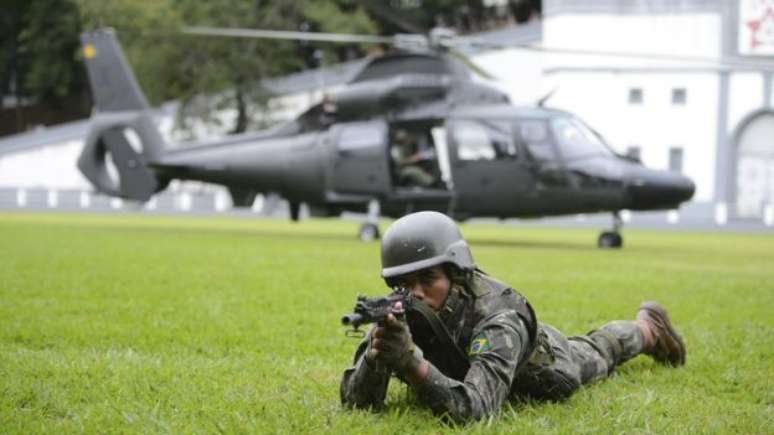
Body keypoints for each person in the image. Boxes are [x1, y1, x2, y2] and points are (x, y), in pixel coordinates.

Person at [340, 211, 686, 422]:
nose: (415, 293)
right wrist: (376, 356)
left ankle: (648, 328)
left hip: (544, 367)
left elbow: (477, 409)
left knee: (598, 350)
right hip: (463, 365)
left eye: (428, 280)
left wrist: (411, 362)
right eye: (403, 284)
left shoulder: (498, 317)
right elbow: (358, 405)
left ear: (456, 274)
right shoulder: (401, 311)